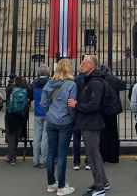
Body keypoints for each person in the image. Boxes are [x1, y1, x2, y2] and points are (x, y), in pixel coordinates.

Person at [68, 55, 109, 196]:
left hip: (92, 124)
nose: (81, 64)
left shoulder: (95, 83)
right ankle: (103, 182)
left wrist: (76, 104)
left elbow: (94, 105)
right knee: (94, 154)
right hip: (87, 122)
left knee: (93, 155)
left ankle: (99, 188)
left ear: (91, 65)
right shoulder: (88, 80)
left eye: (84, 62)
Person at [41, 59, 77, 196]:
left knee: (51, 153)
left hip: (51, 121)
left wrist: (50, 112)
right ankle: (61, 187)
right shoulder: (71, 84)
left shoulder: (49, 83)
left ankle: (51, 184)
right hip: (65, 122)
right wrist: (73, 119)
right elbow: (71, 105)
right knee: (62, 154)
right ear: (69, 69)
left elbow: (43, 103)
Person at [99, 64, 126, 163]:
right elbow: (123, 85)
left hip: (101, 109)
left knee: (102, 133)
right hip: (112, 109)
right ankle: (113, 157)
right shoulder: (112, 79)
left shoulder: (98, 79)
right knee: (113, 133)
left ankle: (103, 156)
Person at [4, 76, 32, 166]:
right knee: (16, 135)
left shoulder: (10, 89)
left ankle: (12, 157)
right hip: (21, 116)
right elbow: (30, 99)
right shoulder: (27, 89)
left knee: (11, 135)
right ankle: (11, 154)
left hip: (10, 115)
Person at [32, 64, 50, 168]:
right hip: (47, 111)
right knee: (45, 137)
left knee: (37, 136)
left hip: (37, 112)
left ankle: (35, 160)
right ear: (47, 73)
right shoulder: (49, 83)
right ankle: (43, 160)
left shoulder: (34, 82)